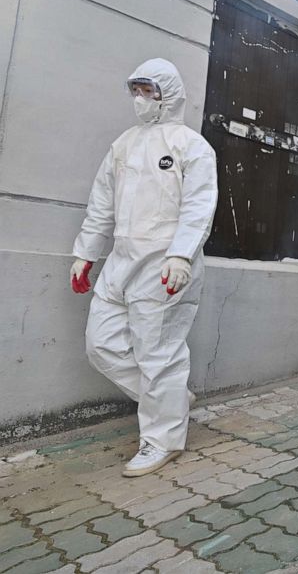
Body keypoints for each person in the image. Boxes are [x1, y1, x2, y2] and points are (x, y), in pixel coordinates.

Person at [70, 59, 218, 476]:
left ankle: (162, 440)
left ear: (166, 93)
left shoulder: (192, 145)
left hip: (166, 265)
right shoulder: (123, 144)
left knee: (158, 354)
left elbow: (199, 206)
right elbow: (101, 204)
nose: (139, 99)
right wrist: (86, 253)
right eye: (134, 90)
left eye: (147, 91)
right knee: (101, 346)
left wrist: (181, 254)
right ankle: (172, 400)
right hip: (121, 261)